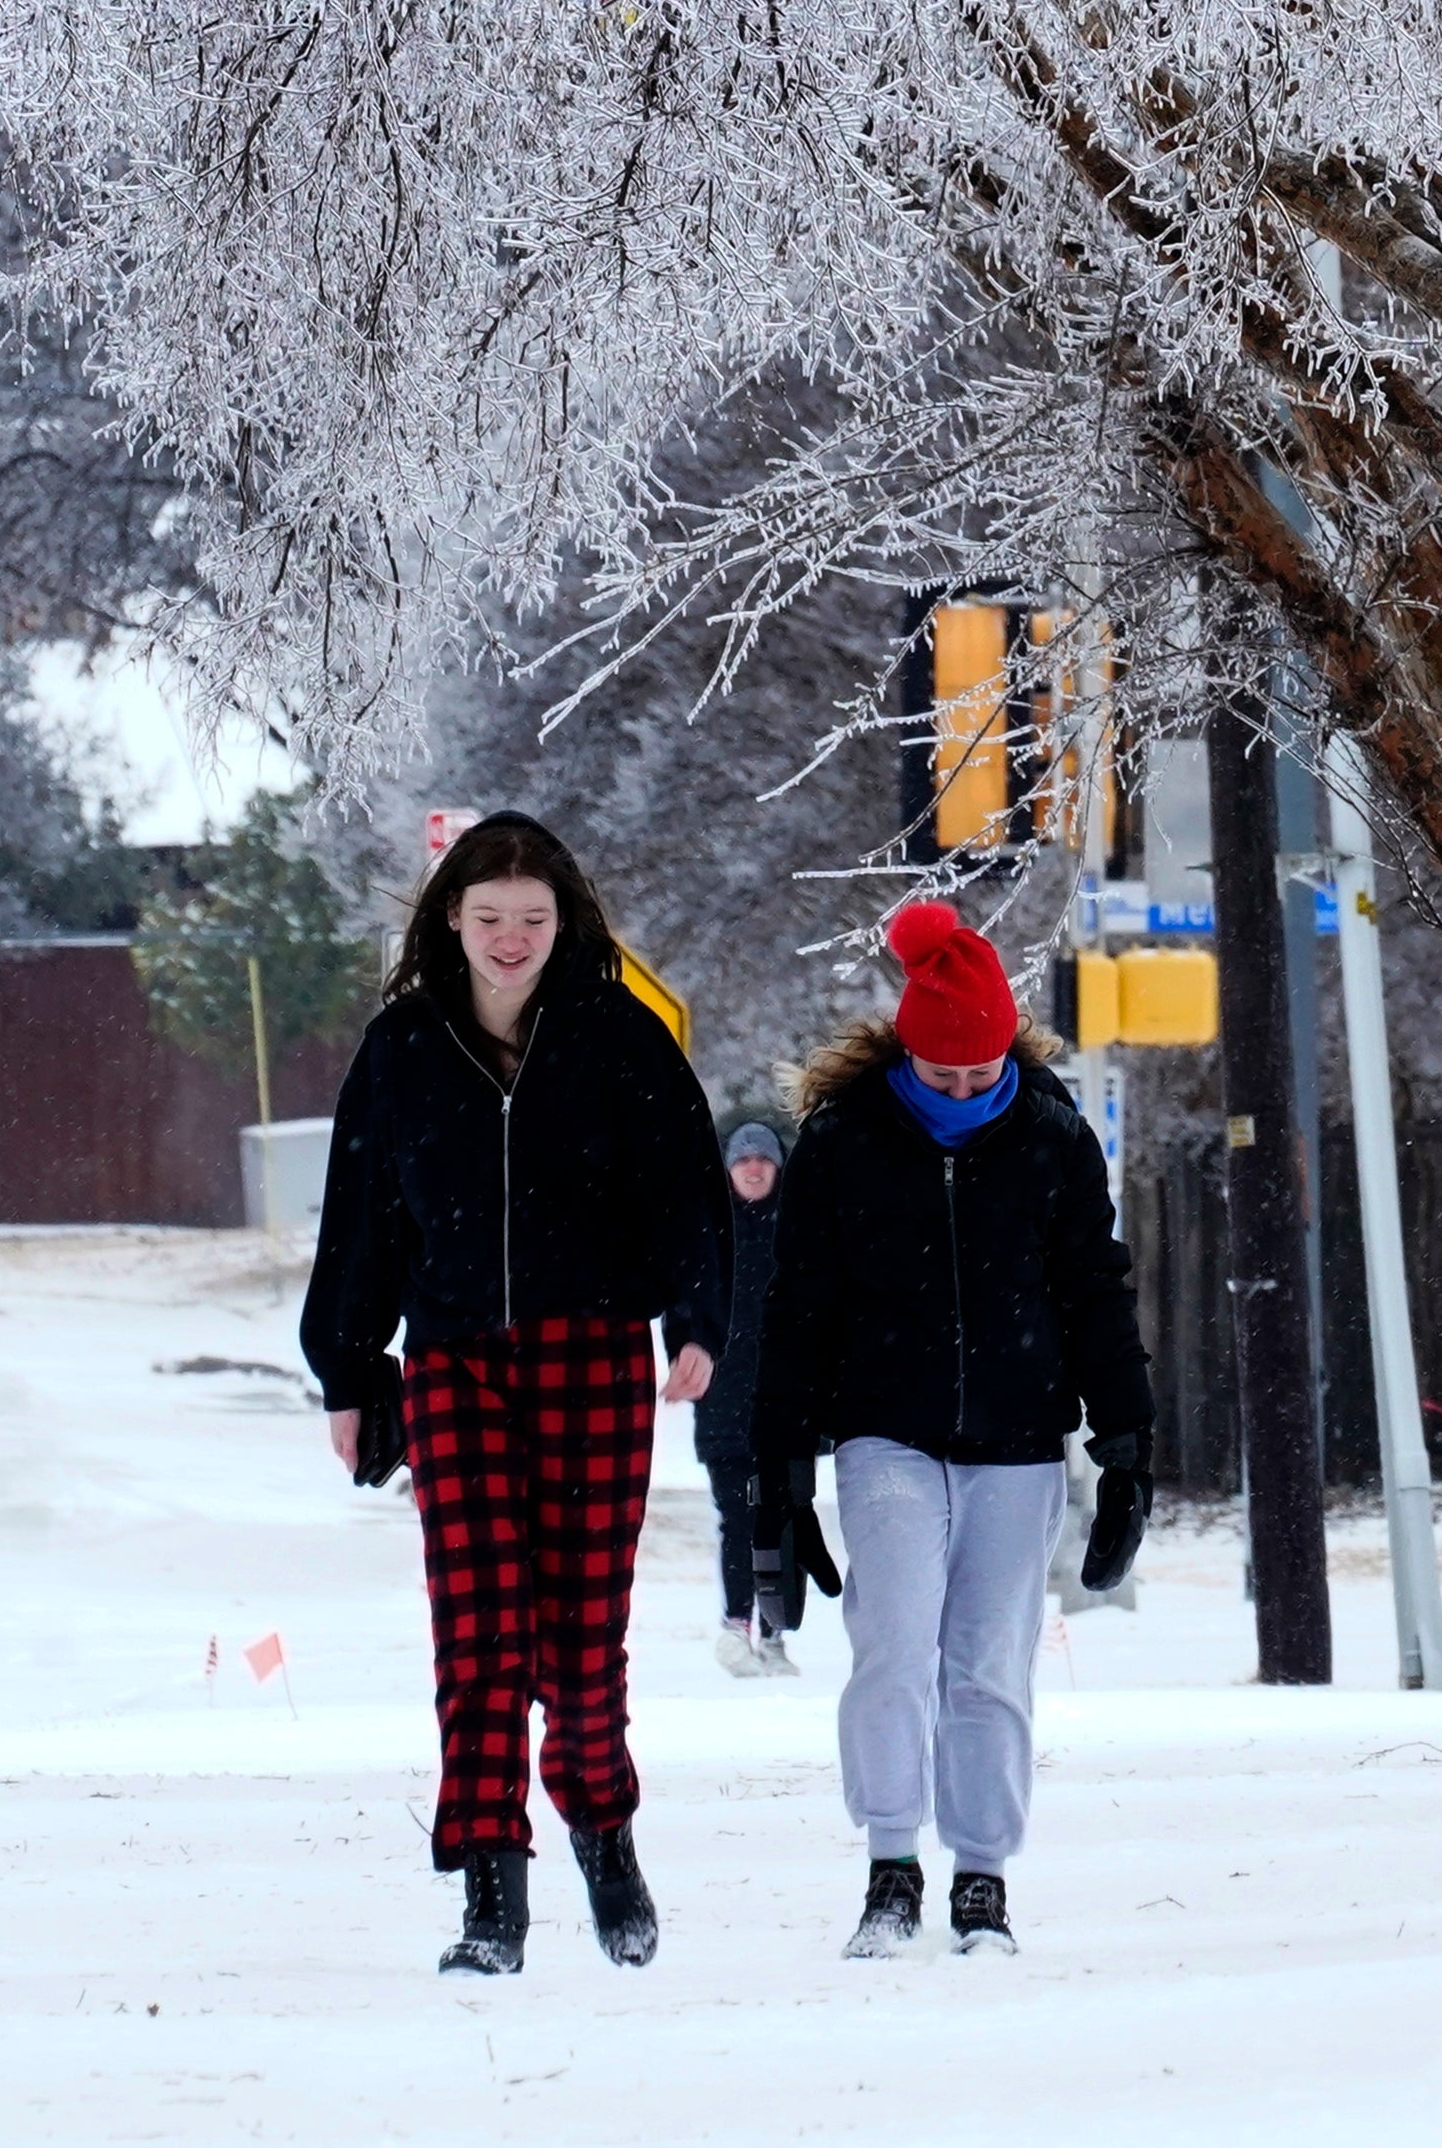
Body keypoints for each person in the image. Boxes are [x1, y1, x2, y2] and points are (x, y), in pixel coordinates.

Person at [301, 811, 728, 1981]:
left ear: (564, 922)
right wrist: (347, 1366)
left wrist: (694, 1318)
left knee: (582, 1643)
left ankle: (603, 1827)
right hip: (452, 1364)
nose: (508, 938)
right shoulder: (399, 1048)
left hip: (592, 1353)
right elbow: (359, 1218)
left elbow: (687, 1194)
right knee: (478, 1632)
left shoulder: (620, 1039)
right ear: (450, 916)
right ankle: (492, 1892)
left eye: (530, 919)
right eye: (488, 917)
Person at [746, 895, 1154, 1961]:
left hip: (1017, 1442)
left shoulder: (1053, 1140)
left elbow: (1096, 1294)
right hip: (884, 1430)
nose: (966, 1089)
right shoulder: (842, 1144)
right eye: (945, 1074)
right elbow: (796, 1307)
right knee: (891, 1643)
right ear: (909, 1053)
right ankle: (890, 1864)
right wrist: (777, 1475)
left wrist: (1126, 1449)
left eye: (983, 1074)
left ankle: (981, 1876)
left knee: (987, 1660)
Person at [698, 1119, 797, 1676]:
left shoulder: (797, 1230)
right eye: (743, 1160)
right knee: (736, 1518)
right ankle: (736, 1623)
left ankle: (779, 1630)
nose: (754, 1168)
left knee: (783, 1518)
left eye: (763, 1160)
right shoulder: (711, 1233)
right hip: (724, 1406)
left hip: (786, 1403)